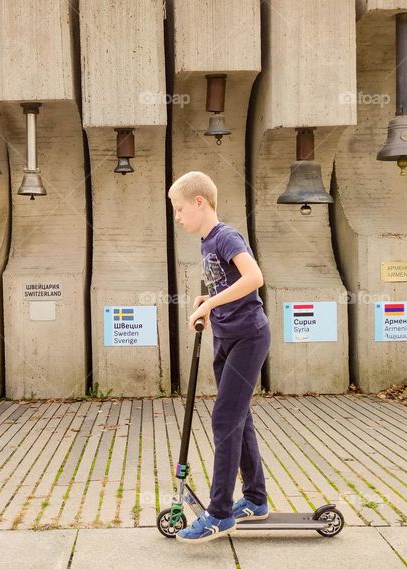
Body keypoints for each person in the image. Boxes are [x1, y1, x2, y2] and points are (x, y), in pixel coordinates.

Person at [166, 171, 271, 543]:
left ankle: (220, 513)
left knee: (225, 418)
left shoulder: (226, 236)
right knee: (239, 417)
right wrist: (208, 301)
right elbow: (227, 283)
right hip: (225, 338)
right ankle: (255, 499)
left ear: (199, 202)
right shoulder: (206, 242)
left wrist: (209, 304)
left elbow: (253, 278)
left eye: (180, 209)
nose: (177, 217)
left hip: (248, 338)